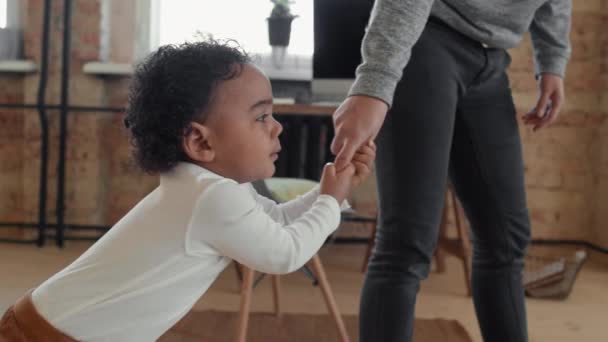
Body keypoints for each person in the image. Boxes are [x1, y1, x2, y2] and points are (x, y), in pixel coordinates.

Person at [0, 39, 376, 341]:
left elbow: (276, 220)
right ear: (200, 142)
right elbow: (284, 253)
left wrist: (334, 190)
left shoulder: (213, 188)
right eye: (261, 117)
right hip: (51, 333)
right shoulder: (212, 197)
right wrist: (329, 199)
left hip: (50, 320)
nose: (277, 128)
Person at [330, 1, 571, 341]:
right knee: (406, 244)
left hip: (491, 59)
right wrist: (375, 85)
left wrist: (553, 62)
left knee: (506, 239)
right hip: (427, 41)